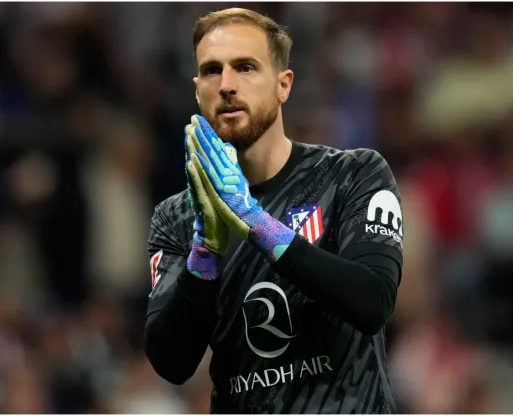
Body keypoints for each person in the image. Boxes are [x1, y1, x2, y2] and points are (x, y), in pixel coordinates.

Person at [144, 8, 404, 413]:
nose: (227, 85)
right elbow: (172, 363)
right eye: (212, 71)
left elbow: (373, 302)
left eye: (245, 67)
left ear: (283, 85)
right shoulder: (178, 217)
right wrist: (204, 255)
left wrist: (258, 224)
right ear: (198, 90)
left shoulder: (352, 175)